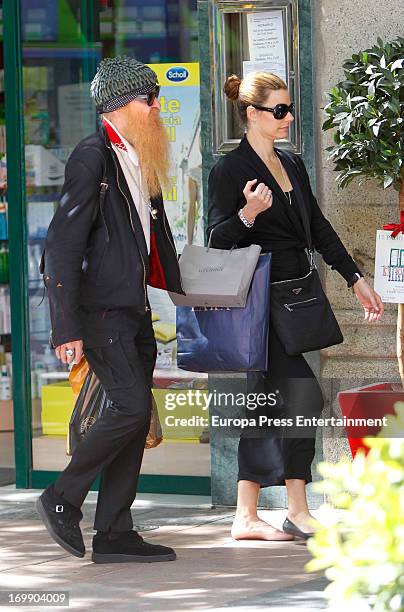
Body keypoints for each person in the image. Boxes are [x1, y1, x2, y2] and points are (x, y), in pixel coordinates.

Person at [207, 71, 384, 542]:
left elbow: (320, 228)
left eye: (288, 110)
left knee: (271, 404)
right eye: (278, 111)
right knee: (298, 397)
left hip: (295, 296)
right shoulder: (229, 169)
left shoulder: (293, 165)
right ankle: (289, 508)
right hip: (258, 301)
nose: (287, 119)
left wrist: (354, 277)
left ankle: (256, 513)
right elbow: (213, 239)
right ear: (252, 114)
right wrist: (249, 214)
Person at [36, 56, 184, 564]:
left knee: (134, 415)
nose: (156, 108)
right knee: (130, 406)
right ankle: (62, 497)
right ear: (122, 105)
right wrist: (65, 326)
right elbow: (61, 247)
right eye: (148, 99)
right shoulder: (92, 157)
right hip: (100, 312)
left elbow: (147, 237)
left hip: (133, 309)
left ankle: (116, 531)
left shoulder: (138, 157)